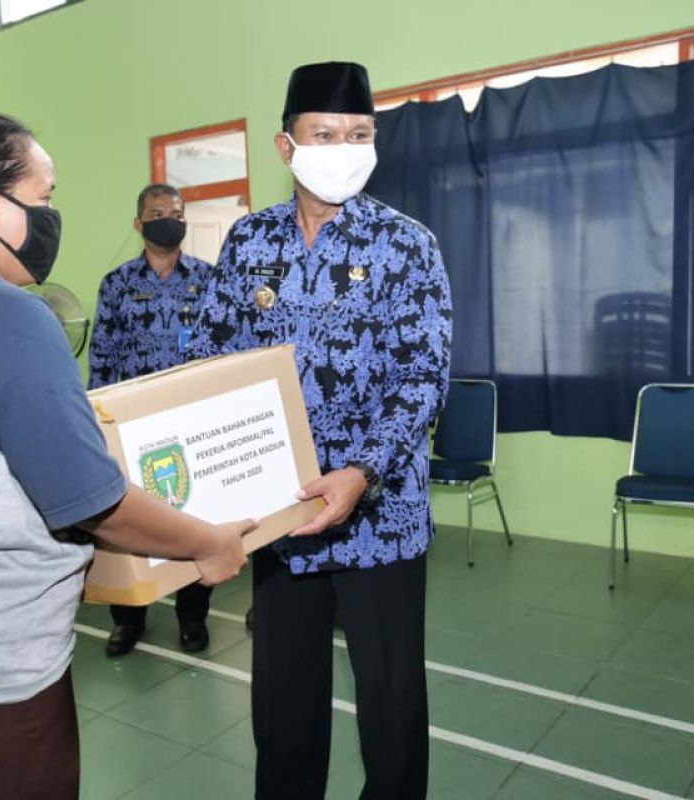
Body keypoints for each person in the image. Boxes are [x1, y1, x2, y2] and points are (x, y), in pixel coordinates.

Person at [0, 107, 251, 799]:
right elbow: (94, 499)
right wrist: (208, 543)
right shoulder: (8, 315)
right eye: (44, 198)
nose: (49, 218)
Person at [189, 62, 453, 799]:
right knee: (284, 708)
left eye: (360, 134)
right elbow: (210, 367)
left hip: (382, 517)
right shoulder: (248, 244)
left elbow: (422, 378)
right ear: (286, 145)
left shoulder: (408, 247)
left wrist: (361, 473)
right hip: (282, 516)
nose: (344, 147)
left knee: (392, 708)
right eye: (326, 133)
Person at [88, 184, 215, 657]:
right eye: (159, 213)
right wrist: (98, 424)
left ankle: (192, 617)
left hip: (192, 419)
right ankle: (128, 619)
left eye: (177, 213)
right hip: (132, 425)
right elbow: (102, 360)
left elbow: (224, 351)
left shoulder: (209, 280)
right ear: (139, 224)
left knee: (196, 519)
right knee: (129, 524)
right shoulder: (117, 285)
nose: (170, 219)